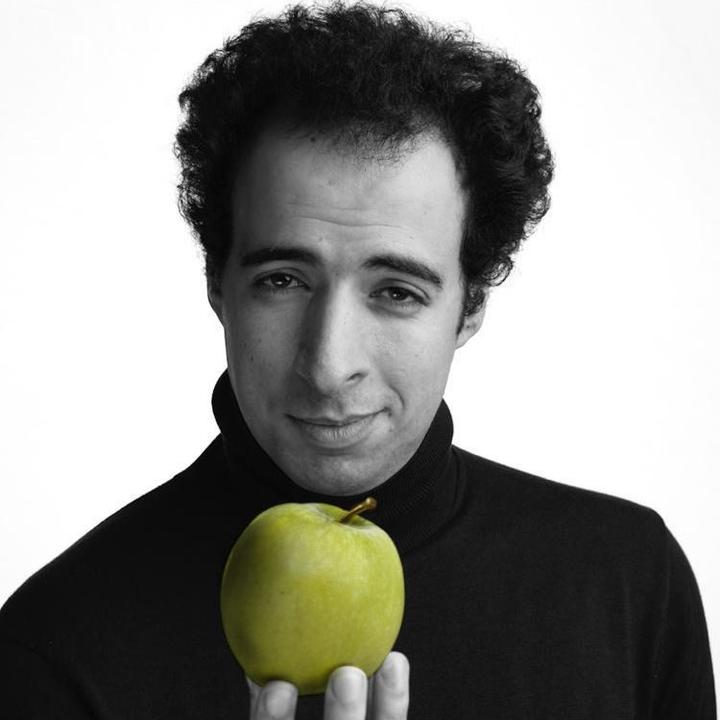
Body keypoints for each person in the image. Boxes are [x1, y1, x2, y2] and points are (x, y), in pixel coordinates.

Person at [0, 2, 715, 718]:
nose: (329, 365)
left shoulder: (630, 585)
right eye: (282, 280)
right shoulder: (53, 649)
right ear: (218, 285)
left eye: (397, 292)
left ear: (470, 306)